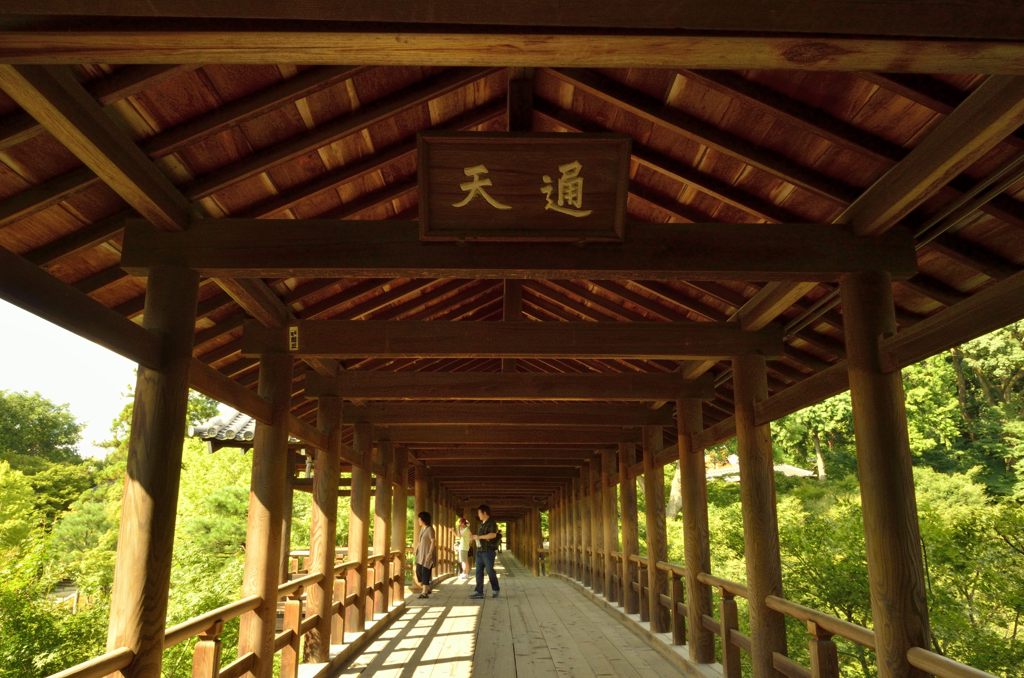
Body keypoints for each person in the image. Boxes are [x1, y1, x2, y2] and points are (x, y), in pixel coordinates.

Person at [469, 504, 500, 599]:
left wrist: (479, 537)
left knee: (490, 570)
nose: (478, 515)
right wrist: (475, 537)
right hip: (480, 550)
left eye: (479, 513)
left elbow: (493, 535)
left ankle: (495, 589)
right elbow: (481, 537)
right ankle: (479, 591)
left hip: (488, 551)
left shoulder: (492, 523)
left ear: (484, 513)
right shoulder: (481, 524)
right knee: (478, 571)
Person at [415, 511, 436, 599]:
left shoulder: (430, 529)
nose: (418, 520)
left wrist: (430, 554)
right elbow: (420, 541)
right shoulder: (422, 529)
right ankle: (427, 588)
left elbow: (433, 541)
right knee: (418, 571)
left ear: (423, 520)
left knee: (425, 572)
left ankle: (424, 592)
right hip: (421, 554)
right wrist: (416, 548)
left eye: (419, 519)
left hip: (427, 554)